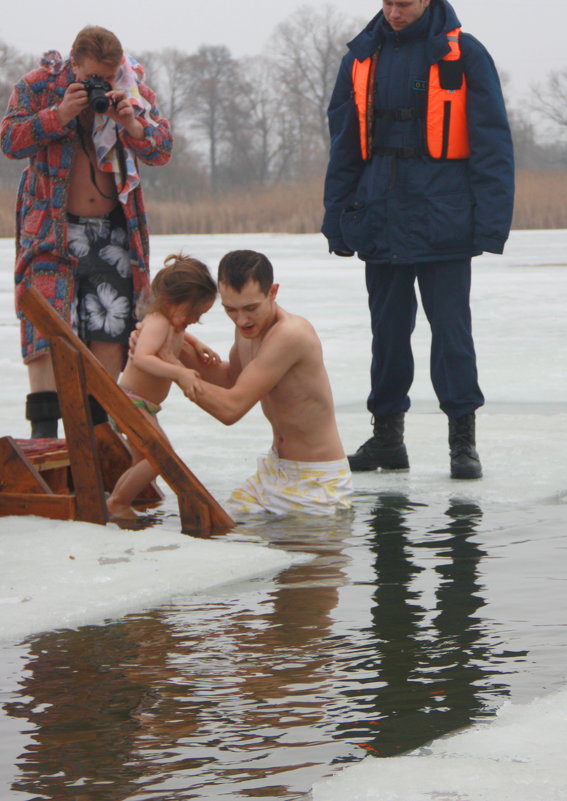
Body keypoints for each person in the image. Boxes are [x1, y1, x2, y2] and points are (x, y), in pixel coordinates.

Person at [322, 0, 514, 479]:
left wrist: (491, 224)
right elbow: (344, 145)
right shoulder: (361, 58)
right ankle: (388, 438)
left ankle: (462, 442)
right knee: (387, 334)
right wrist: (336, 218)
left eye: (403, 3)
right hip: (378, 217)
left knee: (452, 334)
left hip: (444, 221)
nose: (393, 12)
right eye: (386, 3)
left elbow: (493, 144)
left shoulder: (466, 54)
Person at [0, 25, 173, 439]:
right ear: (73, 62)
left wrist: (131, 124)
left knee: (108, 329)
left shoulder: (132, 90)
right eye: (92, 77)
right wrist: (58, 115)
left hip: (115, 234)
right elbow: (9, 140)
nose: (102, 85)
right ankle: (44, 438)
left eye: (108, 77)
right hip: (50, 229)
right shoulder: (38, 86)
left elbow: (162, 149)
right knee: (44, 329)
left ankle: (100, 443)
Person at [175, 249, 353, 517]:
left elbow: (230, 409)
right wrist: (173, 345)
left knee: (310, 559)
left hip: (316, 481)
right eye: (230, 309)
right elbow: (230, 380)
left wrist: (172, 368)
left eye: (251, 308)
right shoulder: (247, 327)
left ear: (273, 292)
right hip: (273, 470)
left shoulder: (290, 334)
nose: (241, 320)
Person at [107, 254, 218, 520]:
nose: (193, 320)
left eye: (199, 316)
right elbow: (144, 357)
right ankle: (117, 503)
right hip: (132, 402)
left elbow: (178, 333)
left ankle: (122, 502)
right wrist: (179, 373)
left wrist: (196, 343)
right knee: (159, 456)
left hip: (142, 405)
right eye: (192, 313)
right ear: (170, 302)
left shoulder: (171, 321)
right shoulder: (158, 321)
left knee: (142, 459)